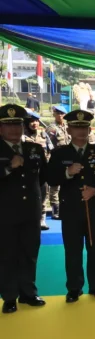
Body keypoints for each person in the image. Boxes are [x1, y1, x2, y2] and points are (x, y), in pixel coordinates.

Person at [47, 110, 95, 302]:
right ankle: (74, 288)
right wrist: (67, 173)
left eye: (84, 127)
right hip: (71, 210)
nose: (81, 131)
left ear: (89, 129)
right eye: (76, 127)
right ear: (69, 129)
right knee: (73, 250)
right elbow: (51, 178)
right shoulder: (60, 153)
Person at [0, 105, 48, 314]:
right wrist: (9, 167)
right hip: (5, 213)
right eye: (8, 125)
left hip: (30, 211)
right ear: (1, 128)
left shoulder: (34, 149)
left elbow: (43, 177)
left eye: (17, 124)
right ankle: (10, 297)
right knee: (7, 255)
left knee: (30, 253)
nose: (14, 129)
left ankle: (29, 293)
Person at [23, 111, 52, 230]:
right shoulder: (22, 136)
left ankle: (42, 219)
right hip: (26, 173)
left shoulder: (44, 135)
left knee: (43, 196)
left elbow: (50, 150)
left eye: (36, 121)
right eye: (31, 121)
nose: (34, 123)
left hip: (42, 172)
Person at [46, 105, 70, 219]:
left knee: (68, 183)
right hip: (56, 159)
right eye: (58, 113)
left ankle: (66, 206)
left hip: (69, 159)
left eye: (62, 113)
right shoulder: (51, 128)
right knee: (55, 186)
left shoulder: (68, 127)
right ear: (54, 114)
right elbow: (49, 145)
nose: (60, 115)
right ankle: (56, 210)